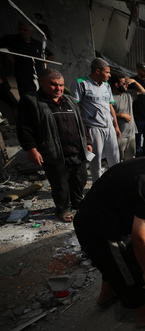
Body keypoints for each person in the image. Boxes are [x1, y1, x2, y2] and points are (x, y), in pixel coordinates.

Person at [74, 141, 145, 328]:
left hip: (89, 219)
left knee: (111, 264)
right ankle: (143, 316)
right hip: (100, 230)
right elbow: (138, 237)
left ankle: (106, 295)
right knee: (130, 271)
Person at [17, 68, 91, 222]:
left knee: (79, 180)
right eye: (54, 85)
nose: (59, 88)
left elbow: (81, 123)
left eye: (61, 85)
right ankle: (63, 209)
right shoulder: (32, 101)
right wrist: (31, 149)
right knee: (60, 184)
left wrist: (88, 142)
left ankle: (78, 203)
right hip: (55, 152)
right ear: (42, 82)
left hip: (77, 151)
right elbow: (24, 127)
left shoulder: (69, 100)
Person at [71, 57, 121, 182]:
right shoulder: (81, 83)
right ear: (98, 71)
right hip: (93, 128)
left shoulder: (106, 86)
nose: (109, 75)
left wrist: (116, 126)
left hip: (109, 127)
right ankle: (97, 185)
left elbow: (110, 106)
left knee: (115, 158)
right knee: (96, 160)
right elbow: (75, 107)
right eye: (107, 72)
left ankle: (116, 182)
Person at [0, 21, 54, 97]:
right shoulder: (13, 40)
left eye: (25, 30)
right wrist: (10, 58)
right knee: (27, 97)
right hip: (23, 76)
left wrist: (44, 64)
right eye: (20, 29)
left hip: (38, 76)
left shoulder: (37, 44)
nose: (22, 31)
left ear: (31, 32)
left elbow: (51, 55)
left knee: (41, 96)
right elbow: (2, 48)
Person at [110, 72, 144, 161]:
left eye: (126, 83)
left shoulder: (128, 94)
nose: (126, 85)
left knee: (130, 159)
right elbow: (107, 113)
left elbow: (142, 91)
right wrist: (121, 115)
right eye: (123, 83)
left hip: (131, 133)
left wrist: (134, 81)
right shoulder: (111, 97)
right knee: (119, 159)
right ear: (116, 85)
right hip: (120, 134)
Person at [129, 62, 145, 156]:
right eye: (144, 71)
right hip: (137, 117)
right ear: (138, 70)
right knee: (137, 142)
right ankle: (138, 160)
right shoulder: (132, 82)